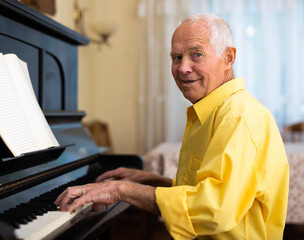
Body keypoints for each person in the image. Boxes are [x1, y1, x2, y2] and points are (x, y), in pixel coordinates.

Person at [55, 13, 289, 239]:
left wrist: (122, 190)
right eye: (176, 57)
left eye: (196, 55)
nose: (183, 68)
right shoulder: (212, 110)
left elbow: (213, 209)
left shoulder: (237, 117)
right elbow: (205, 192)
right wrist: (152, 181)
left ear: (228, 58)